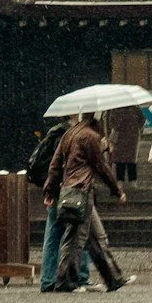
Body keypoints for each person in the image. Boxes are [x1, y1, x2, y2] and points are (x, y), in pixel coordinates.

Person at [47, 111, 130, 293]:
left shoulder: (69, 134)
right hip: (82, 192)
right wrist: (117, 191)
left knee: (97, 237)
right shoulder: (90, 137)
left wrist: (49, 189)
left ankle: (113, 278)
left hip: (71, 190)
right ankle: (66, 281)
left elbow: (55, 163)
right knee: (77, 238)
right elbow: (101, 167)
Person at [26, 118, 79, 291]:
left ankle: (48, 279)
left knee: (52, 235)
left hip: (55, 189)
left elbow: (52, 167)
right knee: (75, 233)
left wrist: (49, 190)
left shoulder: (54, 134)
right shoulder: (67, 136)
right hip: (66, 189)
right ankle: (74, 278)